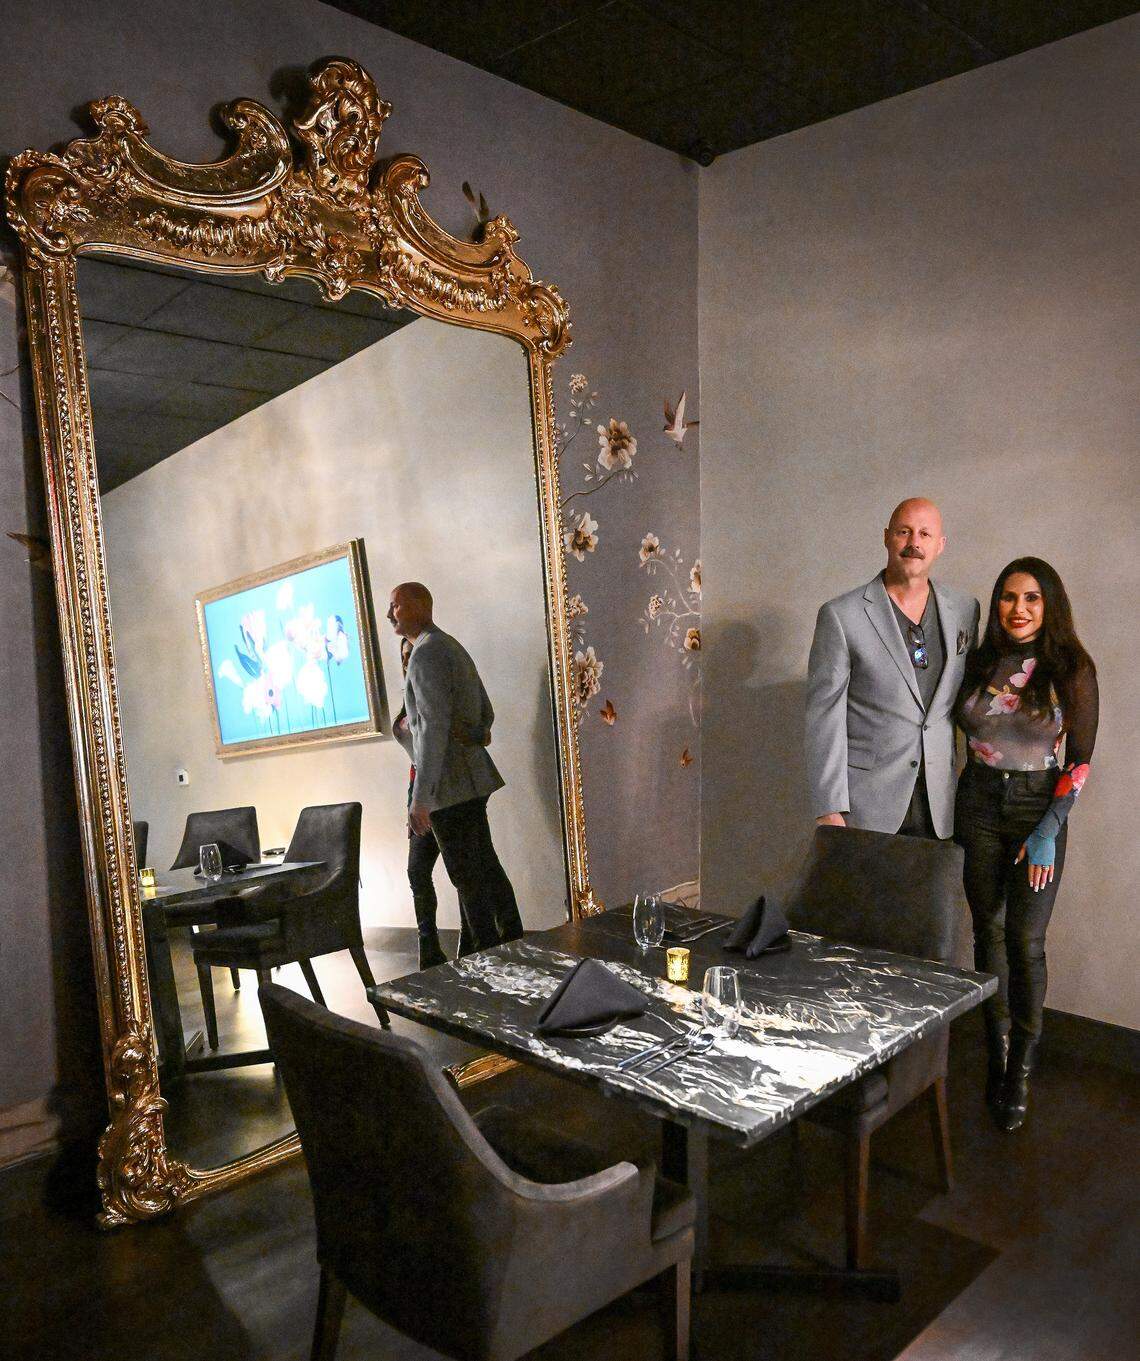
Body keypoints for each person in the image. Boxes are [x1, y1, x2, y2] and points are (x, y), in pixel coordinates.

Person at [955, 558, 1098, 1132]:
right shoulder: (981, 661)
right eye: (1009, 598)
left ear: (1049, 605)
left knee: (1025, 937)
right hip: (978, 805)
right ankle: (996, 1052)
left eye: (1031, 599)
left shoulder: (1070, 667)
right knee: (986, 928)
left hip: (1039, 806)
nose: (1018, 609)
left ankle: (1022, 1069)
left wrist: (1046, 831)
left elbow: (1081, 761)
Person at [806, 498, 980, 838]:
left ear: (940, 545)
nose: (914, 543)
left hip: (941, 804)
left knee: (931, 893)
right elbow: (824, 716)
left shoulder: (965, 611)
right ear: (887, 537)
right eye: (904, 532)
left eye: (925, 534)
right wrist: (828, 806)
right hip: (867, 803)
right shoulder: (842, 615)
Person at [388, 581, 523, 954]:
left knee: (468, 880)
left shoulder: (425, 654)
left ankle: (487, 966)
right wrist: (475, 734)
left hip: (449, 788)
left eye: (395, 606)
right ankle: (512, 949)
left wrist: (421, 799)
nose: (390, 614)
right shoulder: (451, 646)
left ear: (418, 606)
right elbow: (486, 713)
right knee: (486, 870)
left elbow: (430, 730)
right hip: (470, 782)